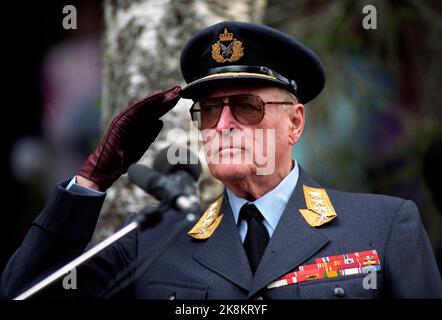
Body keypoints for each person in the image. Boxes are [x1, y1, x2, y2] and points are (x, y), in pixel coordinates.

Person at [1, 21, 441, 300]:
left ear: (295, 123)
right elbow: (24, 292)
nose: (223, 124)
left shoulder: (382, 227)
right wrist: (94, 175)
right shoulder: (151, 243)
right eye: (210, 110)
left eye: (246, 106)